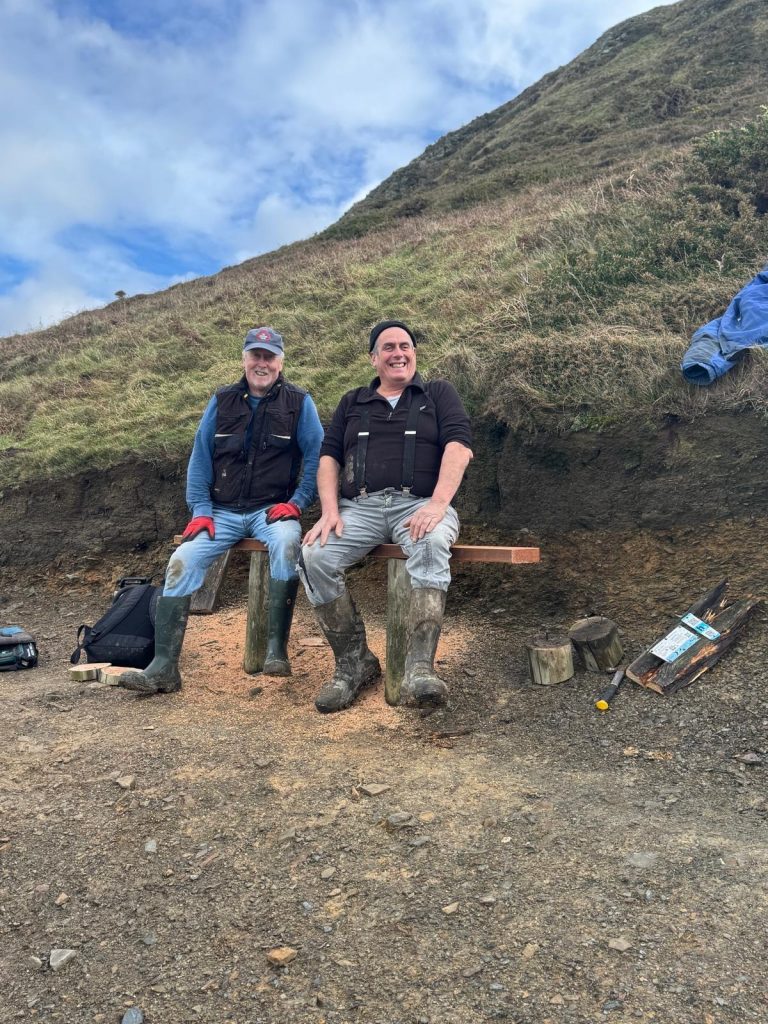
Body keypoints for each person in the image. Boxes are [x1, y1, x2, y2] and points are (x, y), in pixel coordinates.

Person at [119, 326, 323, 695]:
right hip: (221, 512)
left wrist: (297, 503)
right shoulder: (222, 400)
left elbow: (316, 456)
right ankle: (164, 668)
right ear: (244, 359)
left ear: (280, 362)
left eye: (269, 356)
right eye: (255, 355)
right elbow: (200, 456)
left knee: (287, 545)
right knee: (181, 560)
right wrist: (200, 510)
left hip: (271, 511)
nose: (262, 363)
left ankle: (276, 651)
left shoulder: (299, 402)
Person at [299, 320, 473, 713]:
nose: (399, 353)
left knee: (431, 542)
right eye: (389, 347)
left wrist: (437, 504)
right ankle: (354, 663)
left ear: (414, 353)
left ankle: (420, 668)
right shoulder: (352, 402)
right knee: (313, 556)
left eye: (405, 346)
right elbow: (328, 459)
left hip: (419, 505)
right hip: (359, 508)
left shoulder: (437, 393)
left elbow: (459, 447)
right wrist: (329, 511)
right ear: (373, 358)